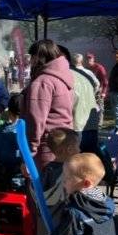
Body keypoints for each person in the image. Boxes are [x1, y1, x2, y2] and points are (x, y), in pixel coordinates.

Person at [21, 39, 74, 172]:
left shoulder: (43, 82)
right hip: (65, 141)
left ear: (37, 57)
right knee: (58, 189)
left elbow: (36, 121)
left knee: (44, 190)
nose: (30, 61)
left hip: (46, 147)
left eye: (31, 57)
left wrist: (30, 153)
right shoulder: (64, 76)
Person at [38, 128, 80, 235]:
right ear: (69, 150)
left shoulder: (48, 169)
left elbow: (41, 194)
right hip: (63, 224)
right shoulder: (69, 172)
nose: (80, 150)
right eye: (78, 147)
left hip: (48, 223)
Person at [61, 47, 100, 153]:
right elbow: (96, 85)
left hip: (78, 126)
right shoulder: (85, 74)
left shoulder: (65, 76)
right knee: (90, 158)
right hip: (91, 122)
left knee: (78, 161)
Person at [0, 93, 23, 193]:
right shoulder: (31, 133)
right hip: (24, 185)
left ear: (9, 112)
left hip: (3, 184)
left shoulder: (0, 132)